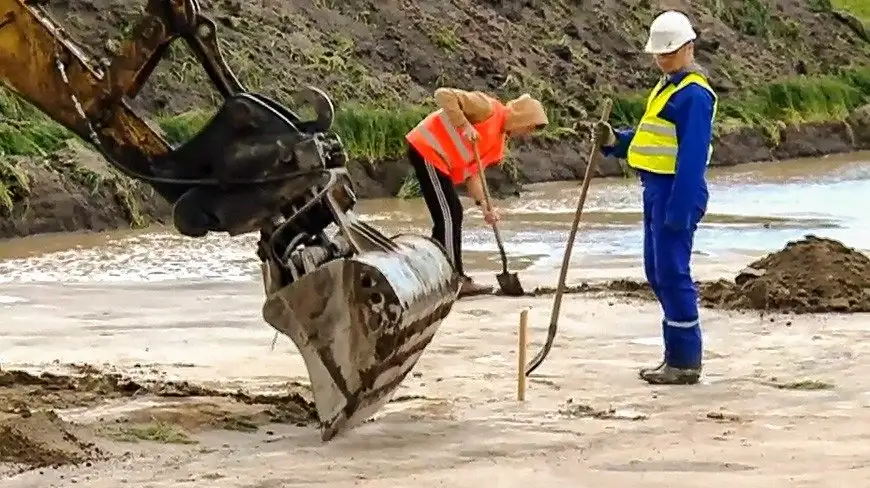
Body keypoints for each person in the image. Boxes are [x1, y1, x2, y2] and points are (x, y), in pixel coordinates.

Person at [597, 10, 718, 385]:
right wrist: (617, 141)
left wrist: (679, 210)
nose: (662, 59)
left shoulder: (694, 95)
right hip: (655, 189)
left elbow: (692, 156)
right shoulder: (667, 87)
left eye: (669, 53)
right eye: (659, 54)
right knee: (657, 271)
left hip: (676, 191)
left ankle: (684, 361)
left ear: (688, 48)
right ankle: (675, 357)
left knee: (672, 272)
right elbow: (650, 137)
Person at [405, 89, 548, 298]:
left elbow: (474, 175)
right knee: (450, 214)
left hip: (440, 162)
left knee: (451, 214)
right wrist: (465, 125)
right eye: (529, 128)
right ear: (522, 118)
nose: (527, 134)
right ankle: (455, 279)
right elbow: (443, 94)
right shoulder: (486, 108)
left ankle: (439, 272)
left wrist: (485, 206)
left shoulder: (497, 143)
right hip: (427, 150)